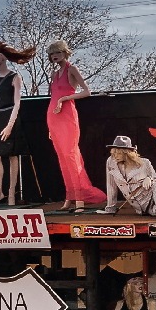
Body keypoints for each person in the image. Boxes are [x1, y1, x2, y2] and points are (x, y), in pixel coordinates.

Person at [46, 40, 105, 212]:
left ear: (65, 52)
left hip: (67, 115)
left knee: (71, 155)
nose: (55, 55)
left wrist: (65, 99)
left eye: (57, 52)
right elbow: (53, 96)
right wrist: (50, 127)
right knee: (62, 158)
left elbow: (87, 91)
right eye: (52, 53)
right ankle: (69, 197)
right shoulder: (53, 73)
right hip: (53, 116)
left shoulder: (72, 69)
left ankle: (80, 198)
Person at [0, 41, 34, 208]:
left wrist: (10, 125)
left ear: (3, 57)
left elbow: (17, 103)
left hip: (11, 116)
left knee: (13, 156)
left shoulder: (15, 77)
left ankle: (12, 192)